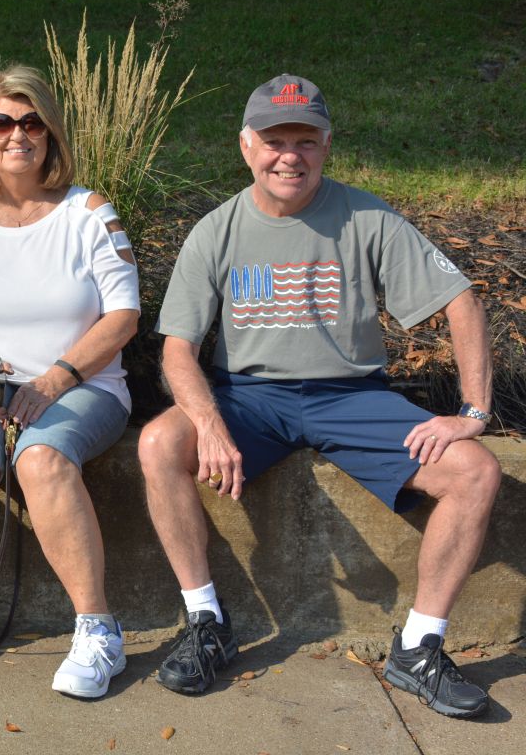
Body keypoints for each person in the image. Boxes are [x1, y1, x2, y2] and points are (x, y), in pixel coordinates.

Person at [139, 74, 501, 718]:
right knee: (160, 441)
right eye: (274, 141)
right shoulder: (216, 230)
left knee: (475, 471)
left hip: (350, 397)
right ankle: (205, 622)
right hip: (249, 397)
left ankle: (418, 648)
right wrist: (210, 425)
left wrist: (472, 412)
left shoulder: (367, 217)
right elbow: (176, 351)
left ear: (327, 145)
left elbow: (462, 301)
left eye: (305, 141)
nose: (290, 156)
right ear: (246, 146)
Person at [0, 66, 141, 699]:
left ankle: (98, 631)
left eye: (32, 121)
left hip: (83, 383)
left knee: (41, 459)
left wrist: (57, 378)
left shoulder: (89, 213)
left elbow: (123, 316)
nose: (18, 134)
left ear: (51, 132)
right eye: (1, 122)